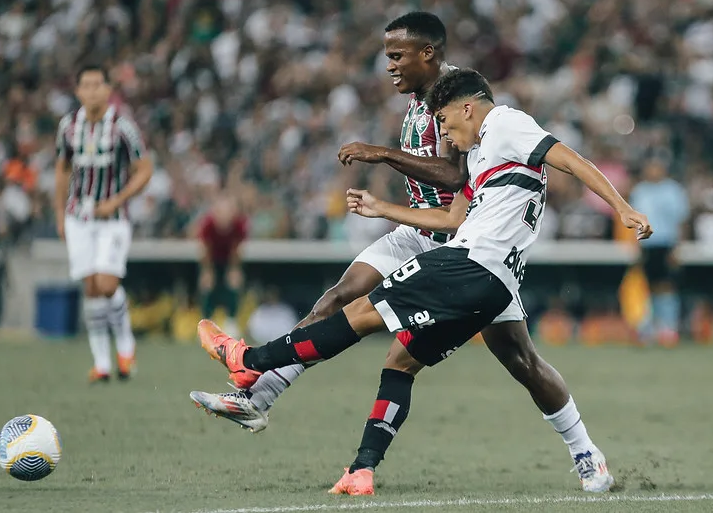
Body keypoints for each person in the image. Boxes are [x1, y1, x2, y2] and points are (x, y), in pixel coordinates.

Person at [194, 69, 653, 494]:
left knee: (359, 312)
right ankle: (362, 470)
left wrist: (623, 207)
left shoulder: (506, 124)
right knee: (406, 361)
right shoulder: (480, 156)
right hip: (494, 281)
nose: (445, 135)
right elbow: (453, 217)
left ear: (468, 107)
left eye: (446, 121)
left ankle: (250, 359)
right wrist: (382, 209)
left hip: (468, 264)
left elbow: (571, 160)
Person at [54, 64, 153, 383]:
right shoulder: (68, 126)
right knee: (92, 288)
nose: (93, 90)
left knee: (107, 284)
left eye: (99, 84)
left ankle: (125, 344)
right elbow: (61, 170)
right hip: (78, 217)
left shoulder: (122, 126)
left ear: (108, 90)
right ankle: (102, 363)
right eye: (87, 84)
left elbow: (144, 169)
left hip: (112, 218)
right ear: (78, 91)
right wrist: (59, 214)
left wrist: (118, 199)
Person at [629, 157, 689, 345]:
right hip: (647, 244)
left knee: (666, 286)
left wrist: (678, 247)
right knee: (647, 286)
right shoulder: (640, 191)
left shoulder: (673, 190)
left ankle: (668, 327)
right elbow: (632, 221)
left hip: (666, 243)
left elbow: (681, 221)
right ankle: (649, 328)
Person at [197, 192, 247, 337]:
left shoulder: (239, 224)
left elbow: (236, 250)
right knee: (207, 284)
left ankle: (231, 320)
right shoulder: (208, 224)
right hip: (212, 260)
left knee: (234, 282)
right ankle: (207, 321)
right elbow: (205, 250)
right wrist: (207, 271)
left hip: (229, 261)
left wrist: (234, 269)